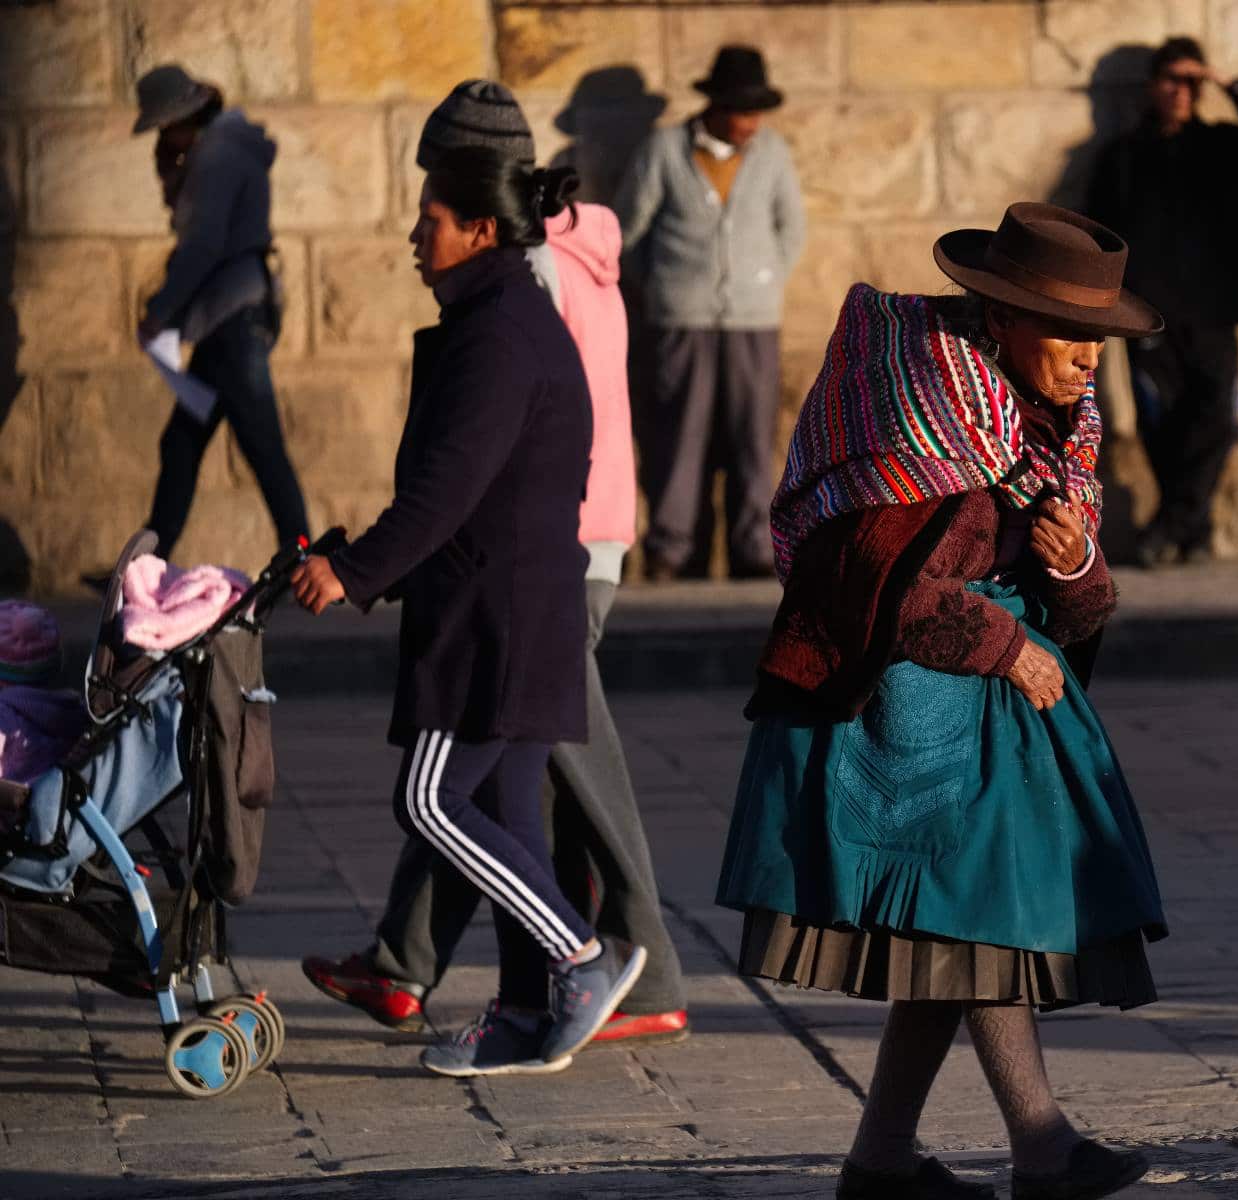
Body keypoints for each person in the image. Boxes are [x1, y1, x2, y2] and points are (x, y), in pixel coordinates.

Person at [716, 204, 1167, 1200]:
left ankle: (882, 1162)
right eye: (1068, 333)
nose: (1088, 359)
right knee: (975, 929)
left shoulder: (1056, 430)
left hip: (989, 727)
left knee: (954, 939)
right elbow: (880, 590)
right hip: (896, 726)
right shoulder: (923, 420)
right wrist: (1007, 644)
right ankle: (1041, 1147)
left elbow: (1081, 605)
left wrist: (1077, 561)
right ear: (1000, 319)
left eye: (1098, 338)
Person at [299, 83, 688, 1045]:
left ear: (481, 220)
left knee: (442, 796)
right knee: (516, 798)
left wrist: (356, 572)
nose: (411, 235)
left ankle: (589, 961)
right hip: (544, 566)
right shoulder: (529, 291)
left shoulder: (513, 313)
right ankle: (521, 1004)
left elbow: (454, 482)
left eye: (429, 214)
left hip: (515, 584)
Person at [1084, 36, 1238, 567]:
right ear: (1153, 85)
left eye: (1191, 82)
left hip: (1214, 312)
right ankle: (1191, 529)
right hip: (1145, 315)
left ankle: (1171, 525)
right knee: (1162, 422)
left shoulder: (1226, 147)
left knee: (1218, 418)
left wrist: (1232, 84)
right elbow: (1098, 234)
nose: (1180, 91)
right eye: (1171, 80)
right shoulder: (1123, 156)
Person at [614, 45, 806, 581]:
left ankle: (753, 550)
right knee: (680, 435)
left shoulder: (771, 153)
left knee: (752, 437)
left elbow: (791, 230)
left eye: (756, 111)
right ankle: (673, 549)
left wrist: (760, 281)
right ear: (717, 106)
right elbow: (628, 233)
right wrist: (663, 288)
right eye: (742, 110)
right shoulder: (664, 150)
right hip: (681, 320)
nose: (751, 123)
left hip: (753, 322)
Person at [130, 64, 309, 562]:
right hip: (224, 318)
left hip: (231, 319)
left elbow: (202, 246)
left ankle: (299, 557)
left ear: (183, 117)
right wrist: (171, 173)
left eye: (166, 127)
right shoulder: (216, 153)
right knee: (182, 445)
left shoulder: (217, 157)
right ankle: (147, 560)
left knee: (261, 445)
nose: (165, 136)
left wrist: (160, 312)